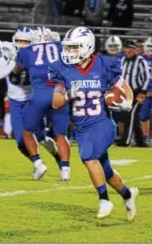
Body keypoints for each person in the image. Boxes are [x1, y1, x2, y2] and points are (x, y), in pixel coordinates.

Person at [48, 26, 138, 220]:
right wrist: (68, 95)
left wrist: (128, 102)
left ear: (87, 46)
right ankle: (128, 195)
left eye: (74, 47)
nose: (69, 51)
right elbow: (55, 103)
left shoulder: (104, 65)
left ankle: (104, 200)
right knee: (105, 171)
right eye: (69, 47)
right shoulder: (64, 69)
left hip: (103, 123)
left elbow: (124, 87)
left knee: (88, 156)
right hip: (81, 128)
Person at [0, 27, 65, 180]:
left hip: (33, 100)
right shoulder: (8, 50)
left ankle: (58, 158)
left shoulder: (36, 55)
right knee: (20, 141)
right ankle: (38, 163)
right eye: (19, 41)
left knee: (41, 138)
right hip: (16, 102)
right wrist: (13, 60)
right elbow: (0, 73)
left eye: (26, 42)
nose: (22, 44)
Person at [16, 26, 70, 181]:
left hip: (39, 94)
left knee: (27, 131)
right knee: (61, 134)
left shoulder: (26, 51)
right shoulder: (60, 46)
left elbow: (18, 69)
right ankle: (65, 170)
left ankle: (39, 164)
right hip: (59, 92)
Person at [117, 40, 150, 147]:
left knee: (131, 115)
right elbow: (121, 76)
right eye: (127, 48)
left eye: (131, 48)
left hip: (137, 92)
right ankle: (140, 142)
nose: (129, 51)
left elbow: (147, 77)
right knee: (131, 117)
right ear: (124, 50)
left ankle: (125, 141)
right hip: (126, 92)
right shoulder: (123, 60)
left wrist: (143, 92)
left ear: (135, 50)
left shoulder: (141, 61)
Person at [139, 37, 152, 145]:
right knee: (143, 115)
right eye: (149, 46)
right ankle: (146, 137)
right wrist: (142, 91)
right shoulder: (140, 59)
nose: (151, 49)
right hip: (143, 90)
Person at [105, 35, 124, 141]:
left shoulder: (123, 58)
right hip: (107, 89)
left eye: (115, 45)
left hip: (120, 89)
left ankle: (121, 136)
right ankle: (110, 137)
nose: (113, 48)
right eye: (111, 46)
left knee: (121, 115)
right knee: (108, 115)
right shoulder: (103, 58)